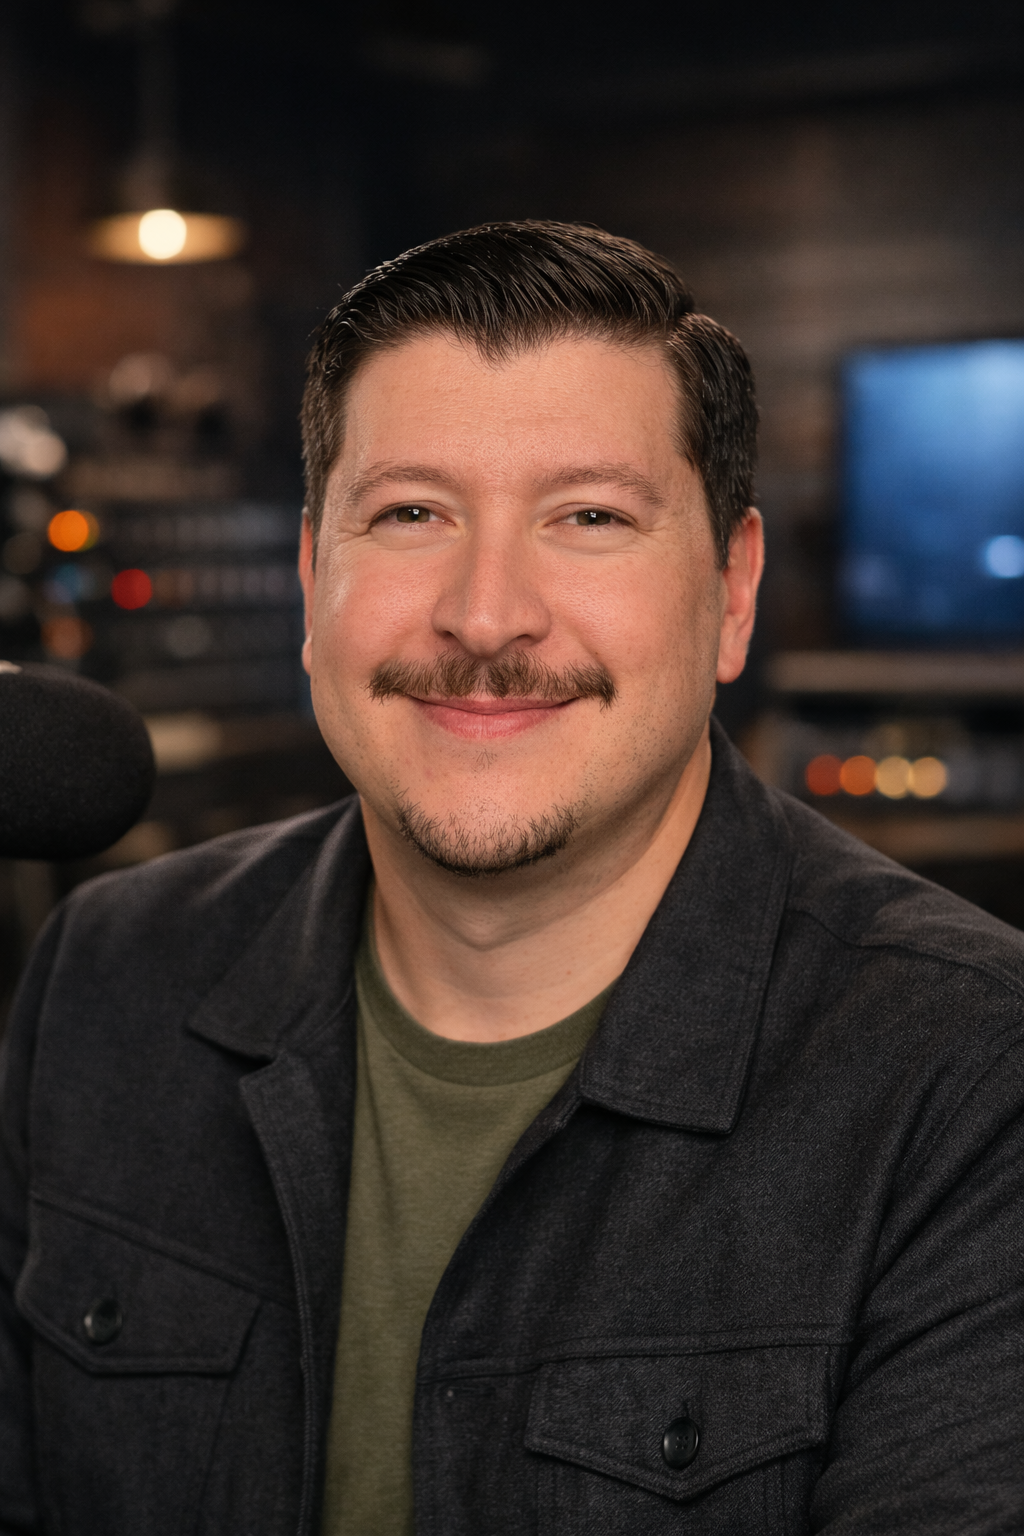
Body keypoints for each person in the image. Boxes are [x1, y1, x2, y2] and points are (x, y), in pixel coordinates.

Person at [0, 222, 1020, 1536]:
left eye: (588, 517)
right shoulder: (109, 969)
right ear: (315, 582)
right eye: (412, 513)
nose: (486, 618)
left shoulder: (975, 1078)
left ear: (733, 591)